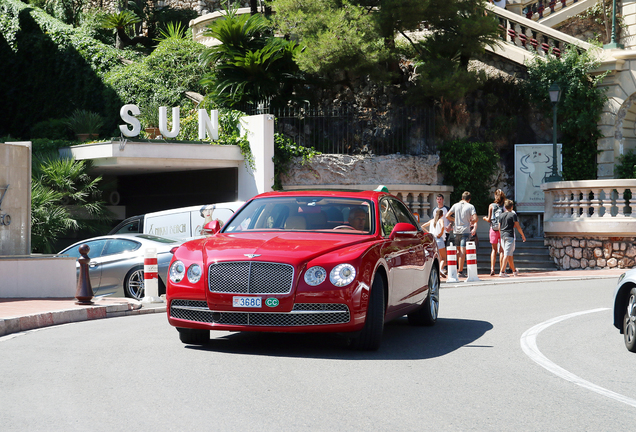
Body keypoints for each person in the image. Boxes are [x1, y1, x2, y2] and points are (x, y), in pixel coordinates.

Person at [446, 191, 477, 277]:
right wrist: (471, 221)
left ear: (462, 198)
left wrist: (454, 220)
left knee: (458, 250)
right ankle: (460, 270)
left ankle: (456, 268)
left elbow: (447, 216)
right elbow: (475, 218)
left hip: (456, 230)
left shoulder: (455, 205)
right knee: (463, 251)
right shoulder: (470, 206)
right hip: (465, 230)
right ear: (469, 199)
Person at [499, 199, 526, 277]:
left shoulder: (501, 215)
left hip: (502, 236)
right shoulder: (513, 215)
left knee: (509, 254)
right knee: (507, 254)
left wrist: (501, 235)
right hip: (509, 236)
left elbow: (499, 227)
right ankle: (502, 272)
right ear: (512, 206)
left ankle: (514, 271)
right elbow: (517, 226)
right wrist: (522, 235)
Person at [483, 189, 506, 276]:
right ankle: (501, 270)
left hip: (493, 229)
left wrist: (485, 218)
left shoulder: (491, 206)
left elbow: (489, 219)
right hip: (502, 229)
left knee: (494, 250)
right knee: (502, 250)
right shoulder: (504, 206)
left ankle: (492, 268)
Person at [422, 208, 447, 277]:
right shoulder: (441, 220)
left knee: (436, 257)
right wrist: (440, 233)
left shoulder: (431, 221)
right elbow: (442, 227)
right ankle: (440, 269)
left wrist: (429, 233)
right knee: (444, 258)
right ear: (441, 215)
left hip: (432, 240)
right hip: (439, 239)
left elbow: (422, 226)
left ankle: (437, 270)